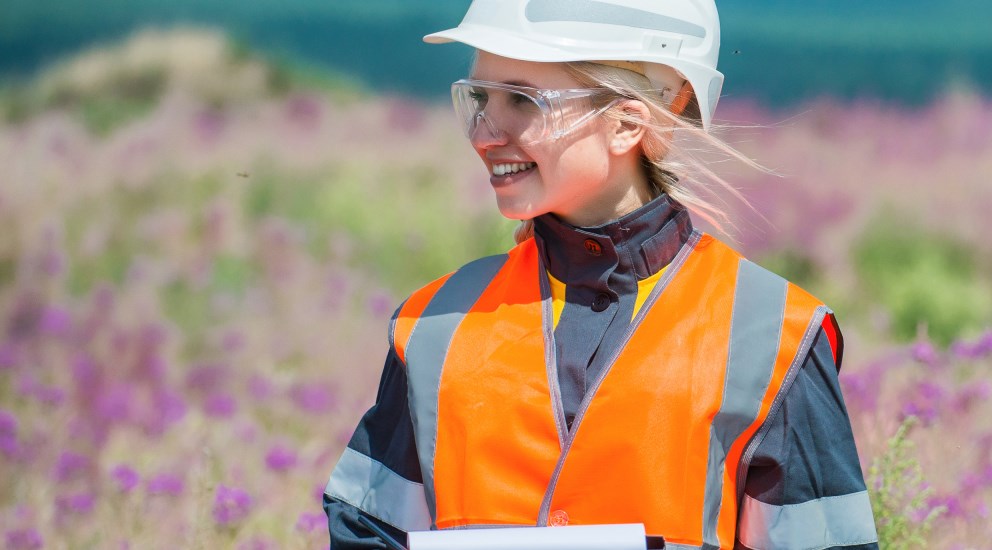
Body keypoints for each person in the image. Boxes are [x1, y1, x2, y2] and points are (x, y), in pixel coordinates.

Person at [320, 1, 877, 548]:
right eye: (479, 98)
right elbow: (369, 531)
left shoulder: (774, 335)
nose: (484, 134)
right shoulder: (433, 325)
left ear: (626, 123)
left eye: (521, 100)